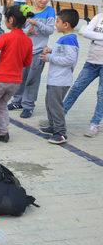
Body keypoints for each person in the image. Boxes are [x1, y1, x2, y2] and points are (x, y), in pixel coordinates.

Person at [0, 5, 33, 144]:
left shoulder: (6, 37)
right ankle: (3, 133)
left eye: (5, 19)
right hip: (15, 82)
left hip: (1, 79)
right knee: (2, 105)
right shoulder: (28, 40)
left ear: (11, 20)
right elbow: (27, 63)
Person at [7, 0, 56, 118]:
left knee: (32, 79)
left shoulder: (49, 11)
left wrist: (37, 23)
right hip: (23, 51)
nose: (44, 0)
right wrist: (27, 31)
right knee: (20, 77)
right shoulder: (25, 9)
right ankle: (17, 101)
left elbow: (50, 30)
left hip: (38, 52)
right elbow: (19, 28)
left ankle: (28, 105)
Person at [38, 9, 80, 145]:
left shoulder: (69, 40)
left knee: (55, 106)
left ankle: (60, 133)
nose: (56, 24)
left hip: (60, 80)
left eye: (57, 21)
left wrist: (49, 57)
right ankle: (53, 126)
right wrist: (51, 50)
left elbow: (69, 59)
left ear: (66, 24)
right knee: (50, 104)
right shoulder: (64, 39)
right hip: (55, 79)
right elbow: (62, 53)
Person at [63, 12, 103, 138]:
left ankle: (95, 123)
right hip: (91, 62)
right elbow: (85, 32)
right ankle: (59, 116)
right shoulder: (99, 17)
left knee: (101, 94)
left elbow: (89, 33)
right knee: (76, 88)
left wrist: (95, 36)